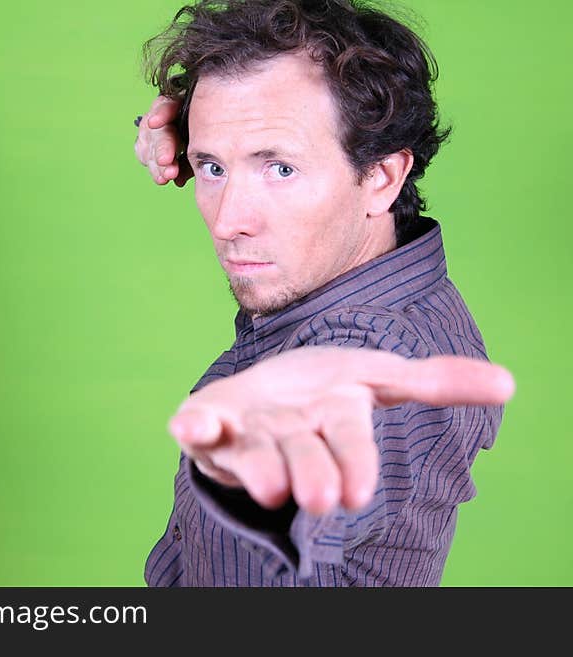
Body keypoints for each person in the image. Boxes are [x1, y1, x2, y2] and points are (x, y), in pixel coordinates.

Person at [136, 0, 513, 586]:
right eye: (211, 169)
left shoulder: (367, 362)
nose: (227, 221)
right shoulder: (402, 278)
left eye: (279, 169)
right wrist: (211, 136)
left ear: (382, 177)